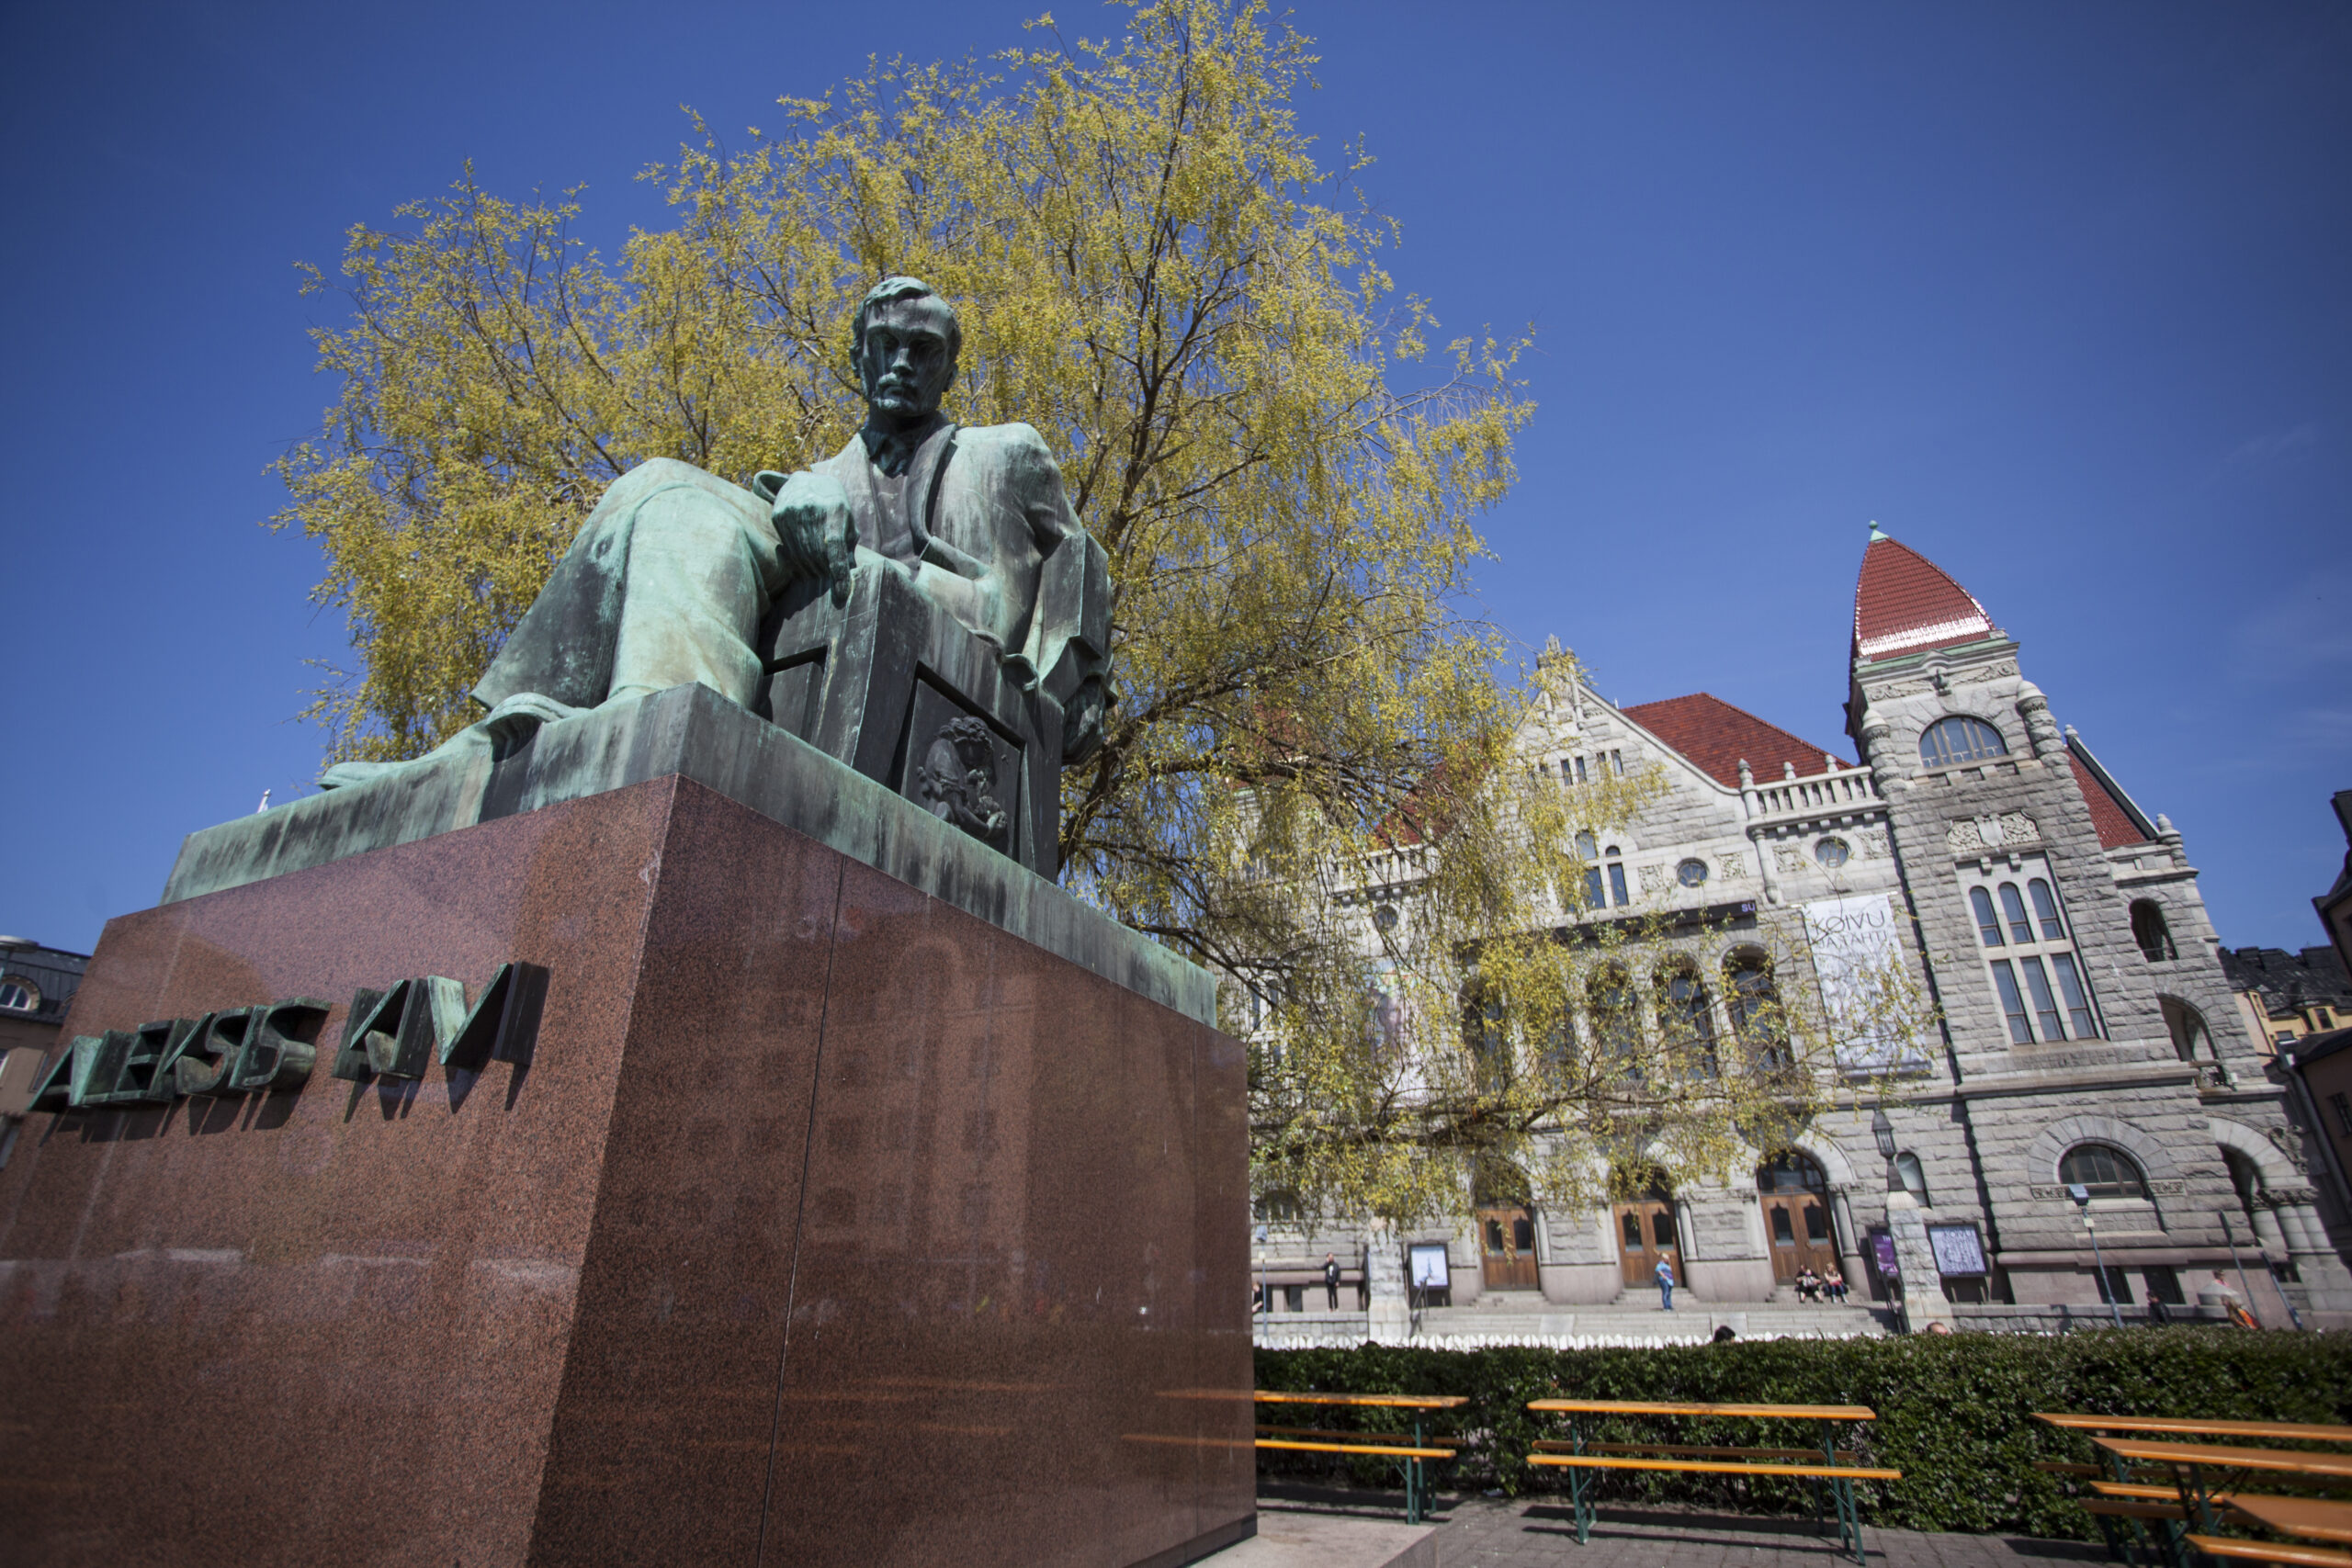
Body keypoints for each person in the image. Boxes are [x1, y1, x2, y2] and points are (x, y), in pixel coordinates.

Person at [317, 277, 1114, 839]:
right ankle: (539, 733)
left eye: (924, 348)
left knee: (705, 501)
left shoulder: (1001, 455)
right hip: (830, 581)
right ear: (857, 359)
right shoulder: (825, 475)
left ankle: (650, 731)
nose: (903, 362)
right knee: (662, 483)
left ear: (948, 366)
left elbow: (1005, 607)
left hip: (935, 651)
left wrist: (872, 564)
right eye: (884, 345)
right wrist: (797, 493)